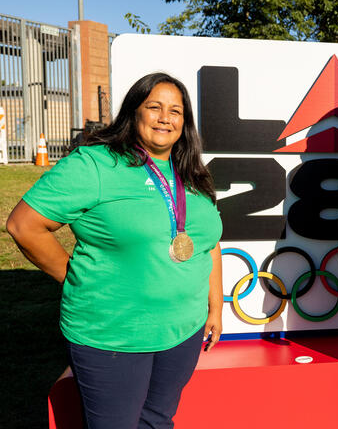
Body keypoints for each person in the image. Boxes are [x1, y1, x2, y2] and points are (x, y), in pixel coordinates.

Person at [6, 73, 223, 429]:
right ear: (133, 112)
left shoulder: (191, 172)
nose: (165, 118)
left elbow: (207, 241)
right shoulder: (95, 165)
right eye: (154, 107)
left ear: (185, 123)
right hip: (114, 332)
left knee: (158, 421)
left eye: (175, 111)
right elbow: (23, 226)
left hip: (183, 330)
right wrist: (73, 277)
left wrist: (215, 305)